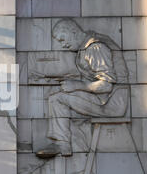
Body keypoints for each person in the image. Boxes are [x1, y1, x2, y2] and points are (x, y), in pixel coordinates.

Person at [36, 19, 127, 159]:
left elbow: (107, 84)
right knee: (64, 110)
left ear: (73, 32)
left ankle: (62, 144)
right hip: (103, 99)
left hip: (111, 103)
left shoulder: (94, 47)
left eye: (62, 39)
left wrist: (78, 86)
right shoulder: (87, 44)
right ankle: (76, 162)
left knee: (57, 99)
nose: (63, 45)